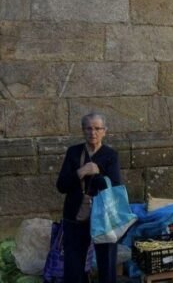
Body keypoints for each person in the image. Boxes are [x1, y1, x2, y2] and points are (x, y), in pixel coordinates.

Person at [55, 113, 122, 283]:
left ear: (104, 131)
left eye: (98, 128)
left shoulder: (110, 155)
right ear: (83, 130)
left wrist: (99, 172)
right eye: (89, 128)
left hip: (103, 216)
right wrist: (81, 171)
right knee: (74, 263)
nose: (93, 132)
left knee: (106, 262)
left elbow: (114, 186)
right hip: (76, 214)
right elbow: (61, 186)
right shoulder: (74, 152)